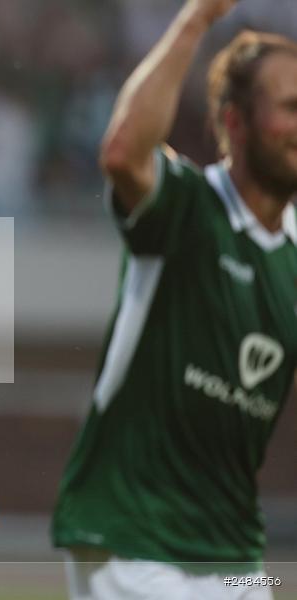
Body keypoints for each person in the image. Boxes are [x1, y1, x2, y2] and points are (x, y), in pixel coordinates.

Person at [51, 1, 297, 598]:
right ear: (234, 121)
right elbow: (123, 154)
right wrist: (195, 21)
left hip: (232, 552)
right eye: (290, 108)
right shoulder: (187, 206)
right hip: (132, 536)